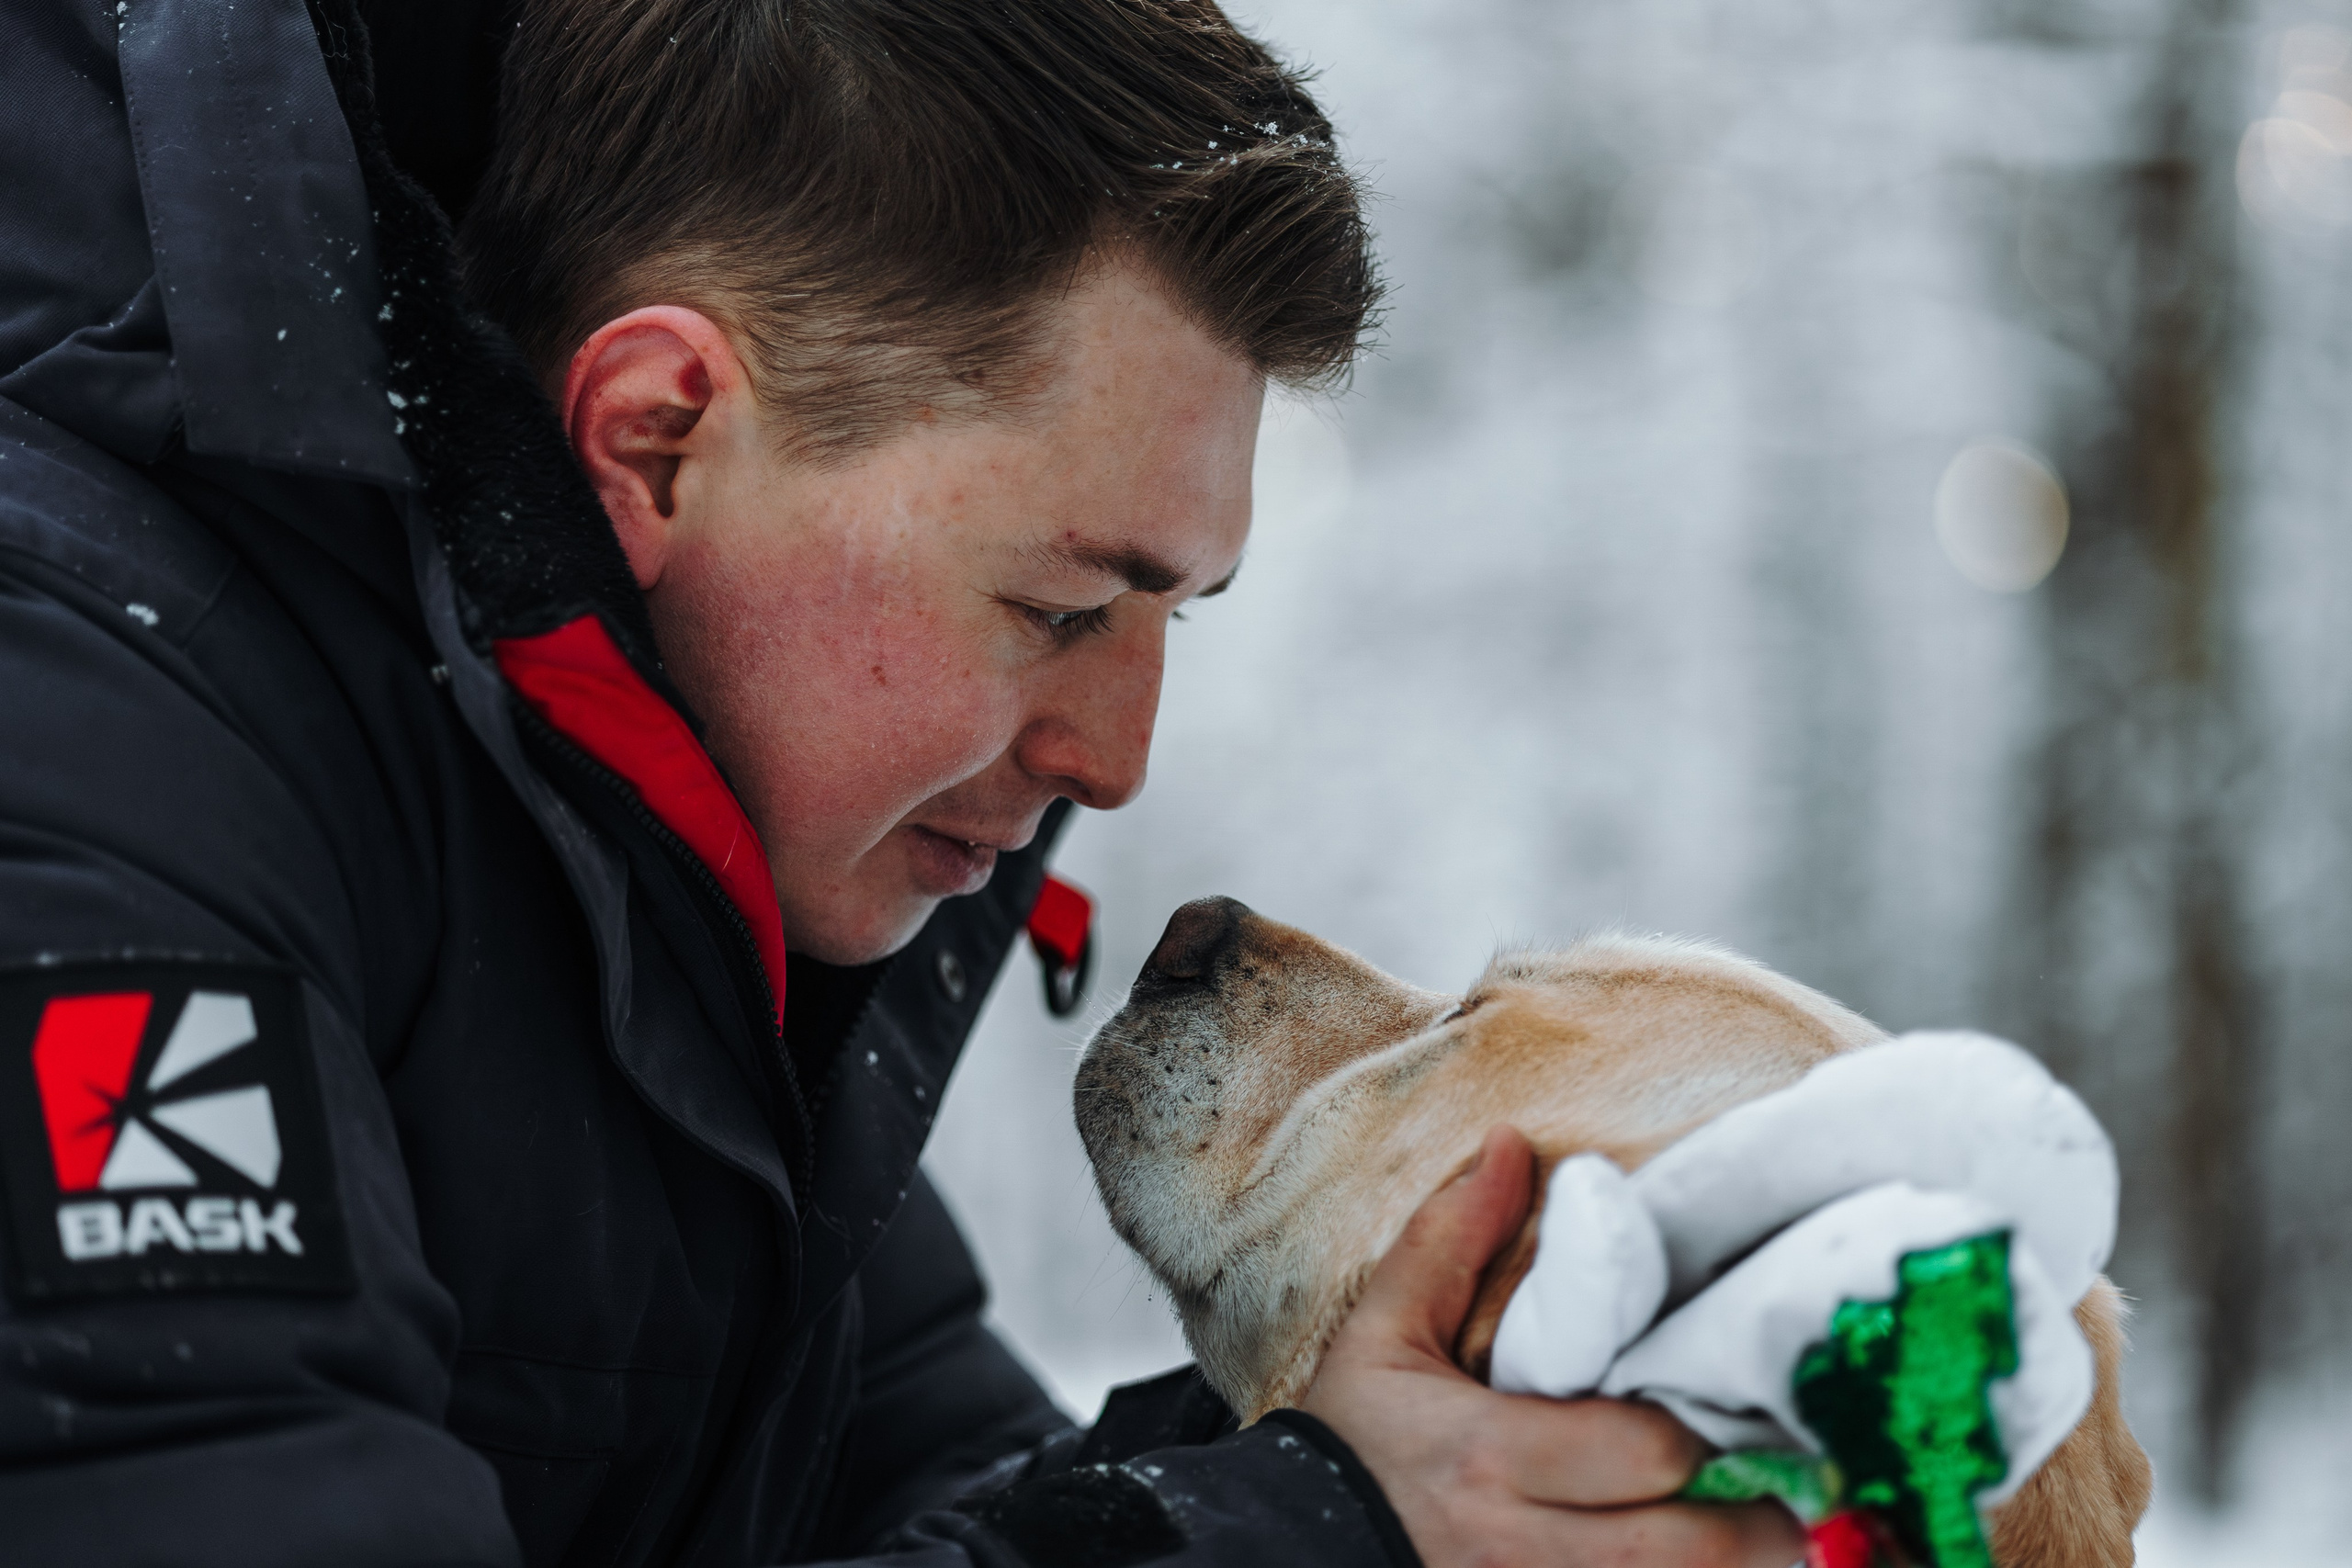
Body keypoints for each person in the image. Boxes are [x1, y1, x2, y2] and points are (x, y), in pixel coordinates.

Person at [0, 2, 1804, 1565]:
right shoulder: (84, 757)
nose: (1113, 756)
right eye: (1061, 603)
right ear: (659, 433)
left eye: (1169, 615)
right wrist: (1314, 1525)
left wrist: (1465, 1452)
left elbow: (941, 1496)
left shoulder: (662, 877)